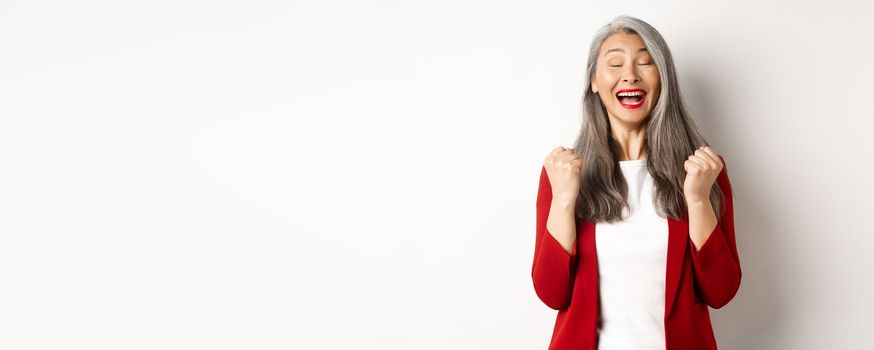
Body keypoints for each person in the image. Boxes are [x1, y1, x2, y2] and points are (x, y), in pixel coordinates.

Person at [531, 15, 741, 350]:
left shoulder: (703, 171)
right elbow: (552, 293)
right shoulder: (562, 173)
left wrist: (699, 200)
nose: (630, 74)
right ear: (594, 81)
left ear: (663, 78)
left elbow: (721, 292)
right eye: (615, 63)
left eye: (645, 62)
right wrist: (564, 200)